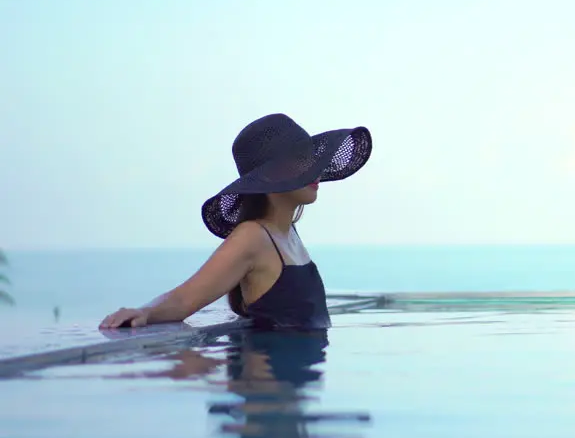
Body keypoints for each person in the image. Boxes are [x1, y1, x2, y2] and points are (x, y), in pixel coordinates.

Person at [99, 113, 372, 331]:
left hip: (294, 394)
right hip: (266, 395)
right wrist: (144, 312)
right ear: (272, 174)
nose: (314, 167)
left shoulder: (288, 233)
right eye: (300, 159)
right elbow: (185, 298)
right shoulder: (253, 237)